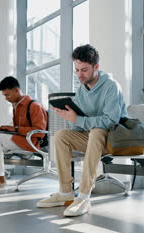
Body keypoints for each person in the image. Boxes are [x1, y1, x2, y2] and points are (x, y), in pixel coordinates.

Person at [36, 44, 128, 217]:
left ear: (96, 67)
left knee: (97, 131)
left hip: (114, 139)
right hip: (92, 138)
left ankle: (84, 196)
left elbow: (110, 121)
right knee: (62, 135)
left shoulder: (111, 86)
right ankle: (65, 193)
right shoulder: (81, 90)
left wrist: (78, 119)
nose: (80, 74)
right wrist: (71, 118)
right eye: (77, 70)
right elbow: (79, 125)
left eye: (84, 70)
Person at [0, 76, 48, 193]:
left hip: (30, 143)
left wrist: (14, 129)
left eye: (7, 95)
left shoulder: (34, 106)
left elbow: (39, 132)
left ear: (16, 90)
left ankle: (0, 181)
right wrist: (6, 129)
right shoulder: (16, 106)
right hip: (19, 140)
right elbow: (18, 129)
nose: (6, 98)